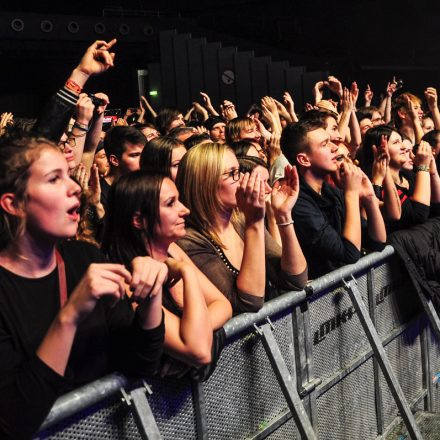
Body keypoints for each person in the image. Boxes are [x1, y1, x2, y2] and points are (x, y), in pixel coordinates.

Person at [0, 133, 165, 440]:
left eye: (68, 174)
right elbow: (14, 421)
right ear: (14, 203)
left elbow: (139, 362)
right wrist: (70, 314)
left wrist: (150, 296)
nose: (75, 187)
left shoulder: (83, 258)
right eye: (53, 179)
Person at [102, 171, 232, 374]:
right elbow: (200, 351)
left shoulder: (173, 249)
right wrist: (186, 272)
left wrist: (193, 329)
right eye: (171, 203)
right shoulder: (128, 280)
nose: (185, 210)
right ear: (139, 220)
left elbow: (224, 305)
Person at [176, 142, 307, 313]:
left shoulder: (240, 220)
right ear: (204, 184)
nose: (242, 181)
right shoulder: (189, 241)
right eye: (233, 174)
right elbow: (248, 303)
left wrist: (283, 215)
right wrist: (255, 222)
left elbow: (295, 279)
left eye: (239, 171)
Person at [281, 120, 386, 279]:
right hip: (321, 298)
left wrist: (369, 198)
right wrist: (350, 192)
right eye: (325, 144)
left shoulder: (329, 191)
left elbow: (377, 242)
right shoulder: (299, 202)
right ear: (304, 160)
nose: (335, 147)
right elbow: (350, 254)